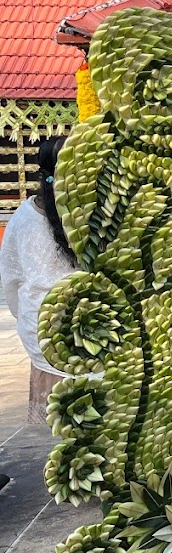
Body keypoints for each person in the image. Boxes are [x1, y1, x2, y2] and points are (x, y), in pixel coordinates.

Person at [0, 137, 77, 407]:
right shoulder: (96, 216)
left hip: (42, 333)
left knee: (69, 425)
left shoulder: (22, 218)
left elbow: (11, 283)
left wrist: (28, 319)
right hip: (88, 335)